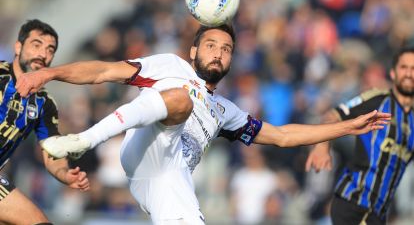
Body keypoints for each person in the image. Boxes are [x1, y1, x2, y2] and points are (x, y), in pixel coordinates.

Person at [16, 24, 390, 224]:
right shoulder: (168, 65)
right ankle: (84, 139)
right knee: (179, 97)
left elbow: (283, 135)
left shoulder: (225, 109)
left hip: (170, 176)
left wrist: (347, 127)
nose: (219, 53)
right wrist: (50, 74)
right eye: (211, 45)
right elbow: (102, 72)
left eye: (226, 49)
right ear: (194, 51)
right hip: (143, 147)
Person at [305, 46, 414, 225]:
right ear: (393, 73)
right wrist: (322, 146)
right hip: (353, 202)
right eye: (404, 67)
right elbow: (333, 115)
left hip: (379, 213)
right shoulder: (377, 100)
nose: (409, 74)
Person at [0, 19, 90, 225]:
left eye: (50, 50)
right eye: (36, 45)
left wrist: (66, 175)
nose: (43, 54)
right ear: (18, 46)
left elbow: (52, 153)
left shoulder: (45, 104)